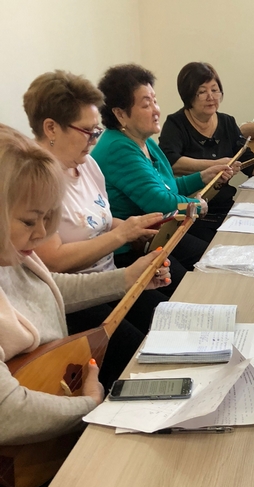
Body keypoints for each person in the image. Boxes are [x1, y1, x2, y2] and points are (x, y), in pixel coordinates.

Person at [0, 124, 170, 446]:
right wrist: (90, 405)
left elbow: (44, 288)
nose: (41, 234)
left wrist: (126, 278)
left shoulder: (11, 252)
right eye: (29, 221)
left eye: (47, 219)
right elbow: (8, 411)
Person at [22, 71, 170, 385]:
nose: (94, 139)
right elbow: (53, 261)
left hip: (107, 279)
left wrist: (136, 230)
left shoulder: (87, 163)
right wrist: (121, 235)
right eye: (87, 131)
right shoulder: (35, 180)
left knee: (167, 319)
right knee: (137, 355)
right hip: (75, 300)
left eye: (96, 130)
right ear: (51, 128)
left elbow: (100, 220)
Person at [91, 63, 233, 249]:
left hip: (159, 234)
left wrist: (203, 177)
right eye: (146, 105)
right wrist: (197, 206)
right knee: (210, 256)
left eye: (155, 101)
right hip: (131, 248)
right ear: (120, 114)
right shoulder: (118, 148)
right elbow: (160, 202)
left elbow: (169, 187)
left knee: (214, 251)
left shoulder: (144, 140)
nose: (156, 110)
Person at [159, 62, 254, 237]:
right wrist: (214, 165)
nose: (211, 97)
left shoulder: (227, 122)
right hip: (191, 216)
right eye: (202, 92)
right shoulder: (175, 124)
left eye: (215, 90)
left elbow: (252, 166)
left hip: (226, 211)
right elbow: (170, 162)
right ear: (188, 95)